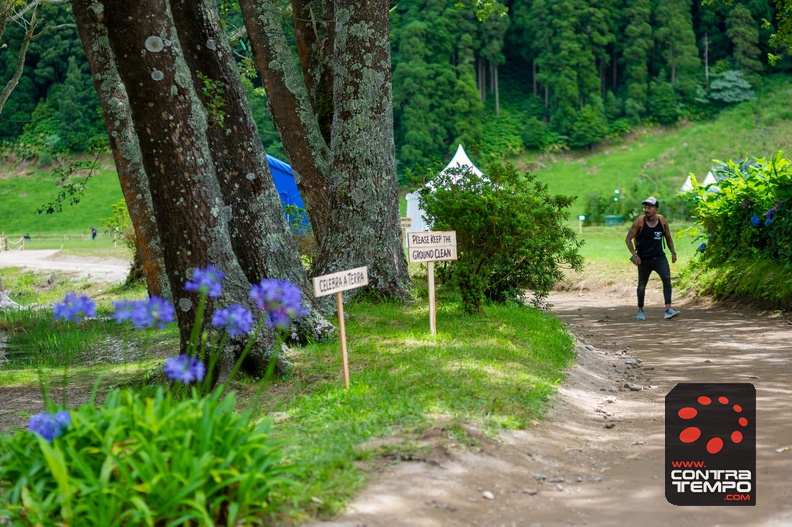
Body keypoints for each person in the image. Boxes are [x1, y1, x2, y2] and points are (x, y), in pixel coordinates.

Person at [625, 196, 680, 320]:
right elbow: (628, 239)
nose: (646, 209)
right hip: (644, 259)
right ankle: (640, 311)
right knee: (642, 285)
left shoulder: (662, 221)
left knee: (666, 280)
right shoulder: (639, 222)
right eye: (645, 207)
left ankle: (668, 309)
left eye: (649, 207)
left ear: (656, 209)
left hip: (659, 257)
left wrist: (673, 252)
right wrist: (635, 254)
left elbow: (668, 238)